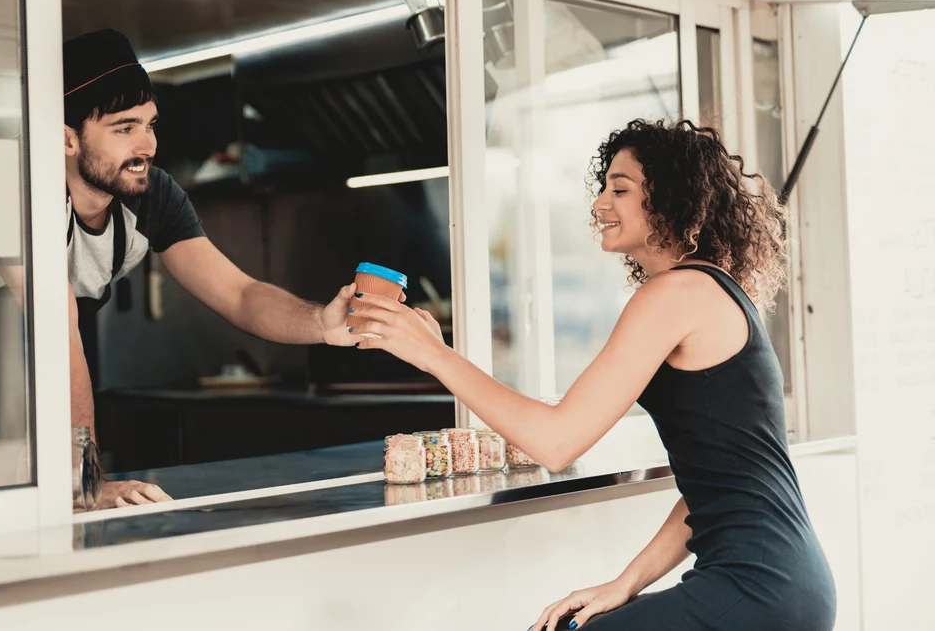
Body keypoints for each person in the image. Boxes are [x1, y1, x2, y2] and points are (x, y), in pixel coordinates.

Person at [350, 119, 837, 631]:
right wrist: (625, 584)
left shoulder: (674, 295)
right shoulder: (711, 290)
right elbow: (718, 487)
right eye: (603, 188)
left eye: (619, 189)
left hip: (758, 587)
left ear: (671, 199)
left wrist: (433, 355)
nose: (600, 204)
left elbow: (556, 441)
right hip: (782, 583)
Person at [0, 29, 390, 509]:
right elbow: (57, 331)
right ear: (66, 138)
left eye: (151, 123)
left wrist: (321, 323)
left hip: (52, 387)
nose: (148, 145)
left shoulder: (152, 195)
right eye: (125, 128)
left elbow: (239, 294)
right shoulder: (10, 182)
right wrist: (84, 482)